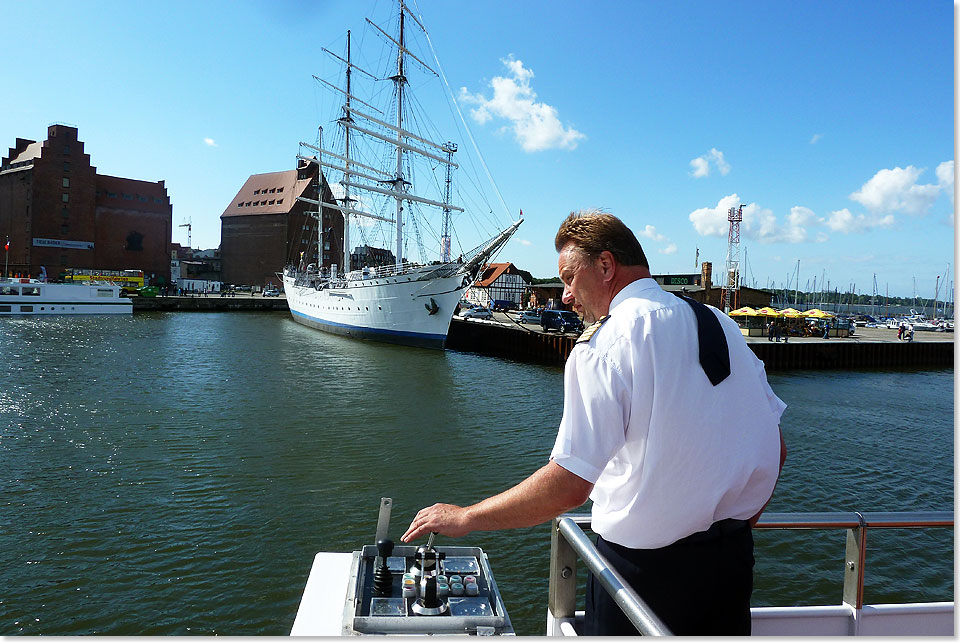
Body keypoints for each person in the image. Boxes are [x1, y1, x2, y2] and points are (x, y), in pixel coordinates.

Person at [402, 210, 787, 635]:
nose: (566, 295)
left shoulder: (605, 346)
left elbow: (568, 486)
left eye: (569, 277)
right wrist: (732, 526)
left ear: (605, 266)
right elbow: (776, 445)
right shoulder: (721, 325)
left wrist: (465, 517)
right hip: (730, 570)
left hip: (641, 579)